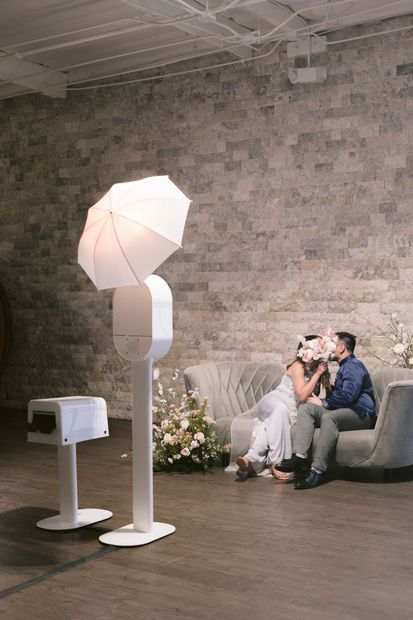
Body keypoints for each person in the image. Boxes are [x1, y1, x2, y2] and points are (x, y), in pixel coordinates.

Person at [275, 331, 376, 489]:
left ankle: (317, 471)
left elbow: (349, 396)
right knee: (307, 408)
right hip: (347, 410)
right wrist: (329, 387)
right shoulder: (345, 366)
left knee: (330, 418)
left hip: (361, 413)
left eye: (332, 345)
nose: (328, 349)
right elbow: (344, 394)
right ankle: (299, 457)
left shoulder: (353, 365)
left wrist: (324, 402)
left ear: (341, 348)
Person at [235, 335, 329, 481]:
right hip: (275, 400)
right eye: (309, 350)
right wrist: (318, 374)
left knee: (269, 425)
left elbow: (320, 395)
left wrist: (321, 379)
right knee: (280, 410)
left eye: (316, 351)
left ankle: (249, 458)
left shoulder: (318, 371)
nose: (311, 354)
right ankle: (276, 463)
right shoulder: (297, 366)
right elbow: (302, 395)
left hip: (291, 410)